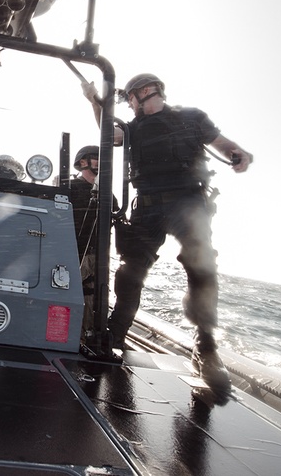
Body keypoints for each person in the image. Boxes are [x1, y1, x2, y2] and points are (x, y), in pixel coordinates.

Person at [83, 73, 252, 393]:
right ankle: (114, 337)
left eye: (130, 98)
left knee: (201, 269)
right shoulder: (133, 128)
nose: (129, 105)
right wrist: (93, 101)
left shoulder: (192, 117)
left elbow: (220, 142)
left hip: (189, 205)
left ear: (145, 92)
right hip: (148, 208)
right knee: (130, 274)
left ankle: (206, 351)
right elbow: (110, 133)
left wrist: (236, 152)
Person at [68, 145, 117, 341]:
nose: (100, 162)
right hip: (71, 253)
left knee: (91, 296)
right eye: (95, 158)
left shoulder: (107, 195)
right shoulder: (70, 188)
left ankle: (84, 338)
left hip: (95, 257)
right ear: (82, 162)